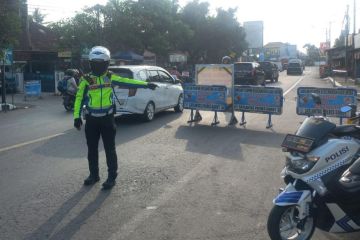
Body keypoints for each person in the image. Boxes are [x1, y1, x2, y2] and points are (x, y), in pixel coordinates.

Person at [73, 46, 157, 190]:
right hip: (92, 120)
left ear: (106, 63)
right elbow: (79, 98)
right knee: (91, 150)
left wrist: (146, 84)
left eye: (101, 63)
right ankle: (94, 175)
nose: (98, 66)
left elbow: (128, 82)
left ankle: (112, 177)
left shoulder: (110, 77)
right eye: (95, 63)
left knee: (109, 149)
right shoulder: (86, 79)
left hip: (107, 119)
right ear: (91, 63)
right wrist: (76, 117)